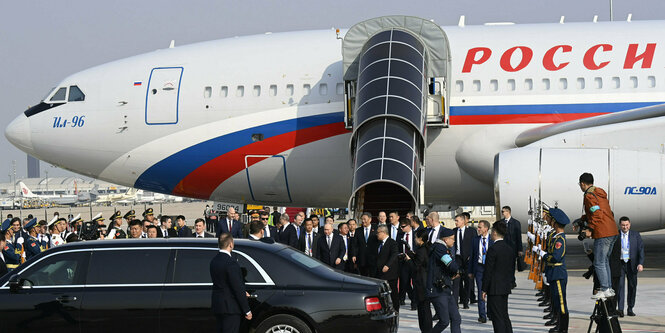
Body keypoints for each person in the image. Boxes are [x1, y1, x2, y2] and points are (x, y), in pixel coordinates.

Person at [576, 172, 619, 299]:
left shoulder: (589, 196)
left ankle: (605, 289)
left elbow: (597, 214)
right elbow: (599, 211)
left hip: (603, 233)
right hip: (612, 231)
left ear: (583, 184)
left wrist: (590, 228)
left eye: (580, 184)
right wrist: (581, 219)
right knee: (604, 261)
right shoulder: (599, 193)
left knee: (599, 262)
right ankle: (609, 288)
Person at [536, 207, 570, 333]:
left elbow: (556, 257)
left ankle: (563, 329)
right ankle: (559, 326)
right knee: (556, 301)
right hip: (553, 273)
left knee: (561, 304)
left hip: (558, 274)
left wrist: (543, 255)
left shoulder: (560, 240)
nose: (549, 221)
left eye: (551, 219)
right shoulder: (556, 237)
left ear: (555, 222)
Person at [210, 233, 252, 332]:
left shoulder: (214, 261)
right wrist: (247, 310)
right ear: (231, 244)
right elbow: (237, 288)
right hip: (230, 308)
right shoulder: (231, 263)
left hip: (218, 305)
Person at [482, 221, 515, 333]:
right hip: (505, 287)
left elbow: (488, 271)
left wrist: (484, 289)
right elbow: (511, 269)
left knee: (497, 317)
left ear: (495, 232)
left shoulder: (493, 249)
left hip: (494, 288)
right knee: (504, 314)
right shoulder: (509, 249)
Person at [426, 227, 461, 333]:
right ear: (446, 239)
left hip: (445, 288)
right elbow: (451, 264)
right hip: (438, 290)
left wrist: (453, 274)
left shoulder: (442, 248)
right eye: (452, 239)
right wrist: (457, 270)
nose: (454, 241)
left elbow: (445, 268)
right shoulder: (439, 249)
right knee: (444, 321)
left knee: (456, 318)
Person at [404, 228, 432, 333]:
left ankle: (426, 329)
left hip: (421, 283)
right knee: (425, 308)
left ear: (420, 239)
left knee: (423, 310)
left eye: (416, 237)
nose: (415, 239)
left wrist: (409, 260)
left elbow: (416, 266)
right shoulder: (426, 248)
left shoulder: (422, 250)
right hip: (424, 282)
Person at [617, 216, 644, 317]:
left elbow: (640, 250)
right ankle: (620, 309)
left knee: (632, 286)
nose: (625, 227)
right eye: (623, 225)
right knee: (620, 287)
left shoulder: (636, 235)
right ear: (620, 225)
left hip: (632, 264)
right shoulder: (616, 235)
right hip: (620, 264)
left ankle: (630, 308)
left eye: (627, 225)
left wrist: (640, 263)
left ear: (630, 224)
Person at [468, 220, 493, 323]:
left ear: (486, 229)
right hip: (479, 268)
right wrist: (470, 271)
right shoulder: (475, 240)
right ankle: (482, 315)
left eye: (480, 227)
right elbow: (472, 255)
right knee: (480, 291)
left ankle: (490, 313)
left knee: (491, 292)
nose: (478, 229)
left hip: (490, 269)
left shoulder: (492, 240)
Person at [453, 213, 477, 309]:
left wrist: (471, 256)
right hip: (457, 258)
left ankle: (466, 301)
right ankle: (458, 300)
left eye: (457, 221)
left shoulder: (471, 231)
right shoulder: (453, 231)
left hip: (468, 259)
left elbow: (475, 245)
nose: (455, 223)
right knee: (457, 280)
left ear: (463, 221)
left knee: (468, 281)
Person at [375, 225, 400, 311]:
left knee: (393, 292)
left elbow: (394, 255)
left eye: (378, 233)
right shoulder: (378, 243)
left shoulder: (392, 242)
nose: (376, 235)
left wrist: (387, 265)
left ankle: (396, 309)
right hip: (380, 272)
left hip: (390, 273)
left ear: (383, 233)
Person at [501, 206, 524, 285]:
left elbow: (518, 237)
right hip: (503, 248)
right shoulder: (501, 223)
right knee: (504, 266)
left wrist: (520, 249)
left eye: (503, 211)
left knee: (511, 265)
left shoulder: (515, 223)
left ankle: (511, 281)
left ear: (508, 212)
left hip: (512, 248)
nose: (502, 213)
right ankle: (507, 281)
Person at [352, 212, 378, 277]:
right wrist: (354, 255)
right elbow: (355, 244)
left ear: (370, 219)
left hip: (373, 258)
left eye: (364, 219)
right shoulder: (358, 231)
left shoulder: (376, 229)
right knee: (363, 276)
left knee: (373, 276)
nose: (363, 221)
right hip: (362, 258)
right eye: (362, 219)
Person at [398, 219, 416, 310]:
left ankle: (414, 302)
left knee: (415, 281)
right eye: (401, 226)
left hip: (414, 260)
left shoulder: (416, 234)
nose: (401, 228)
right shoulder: (400, 235)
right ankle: (413, 298)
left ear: (409, 226)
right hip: (404, 261)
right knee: (405, 281)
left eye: (403, 227)